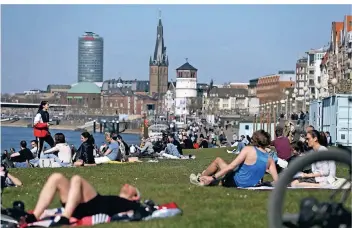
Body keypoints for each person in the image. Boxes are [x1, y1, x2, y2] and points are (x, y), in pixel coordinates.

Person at [24, 173, 144, 226]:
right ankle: (35, 215)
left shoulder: (130, 204)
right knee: (56, 177)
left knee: (77, 179)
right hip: (81, 206)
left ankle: (65, 217)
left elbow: (142, 210)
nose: (127, 184)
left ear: (135, 197)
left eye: (131, 187)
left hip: (95, 206)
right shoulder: (115, 199)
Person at [191, 130, 278, 188]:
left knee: (218, 161)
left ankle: (201, 178)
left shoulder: (248, 149)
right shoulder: (270, 159)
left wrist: (213, 177)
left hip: (236, 181)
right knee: (222, 178)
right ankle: (208, 179)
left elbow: (231, 166)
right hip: (250, 184)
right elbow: (277, 181)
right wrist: (266, 183)